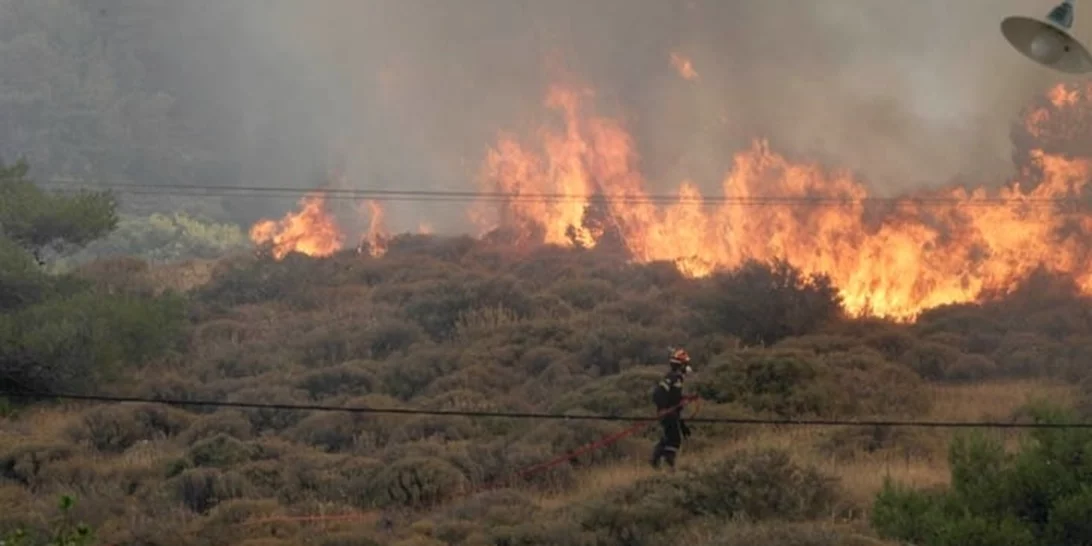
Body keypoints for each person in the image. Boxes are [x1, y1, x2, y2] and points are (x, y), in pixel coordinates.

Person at [650, 347, 693, 470]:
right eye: (686, 364)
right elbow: (658, 393)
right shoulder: (673, 378)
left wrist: (684, 399)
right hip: (668, 413)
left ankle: (656, 459)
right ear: (681, 365)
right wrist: (663, 409)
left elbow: (674, 397)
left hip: (671, 413)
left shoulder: (675, 378)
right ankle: (667, 463)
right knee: (674, 440)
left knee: (669, 437)